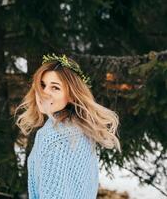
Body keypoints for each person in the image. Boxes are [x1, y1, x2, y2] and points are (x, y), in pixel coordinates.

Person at [14, 54, 121, 199]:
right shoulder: (80, 129)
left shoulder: (54, 138)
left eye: (55, 88)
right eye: (43, 85)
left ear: (71, 95)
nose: (44, 93)